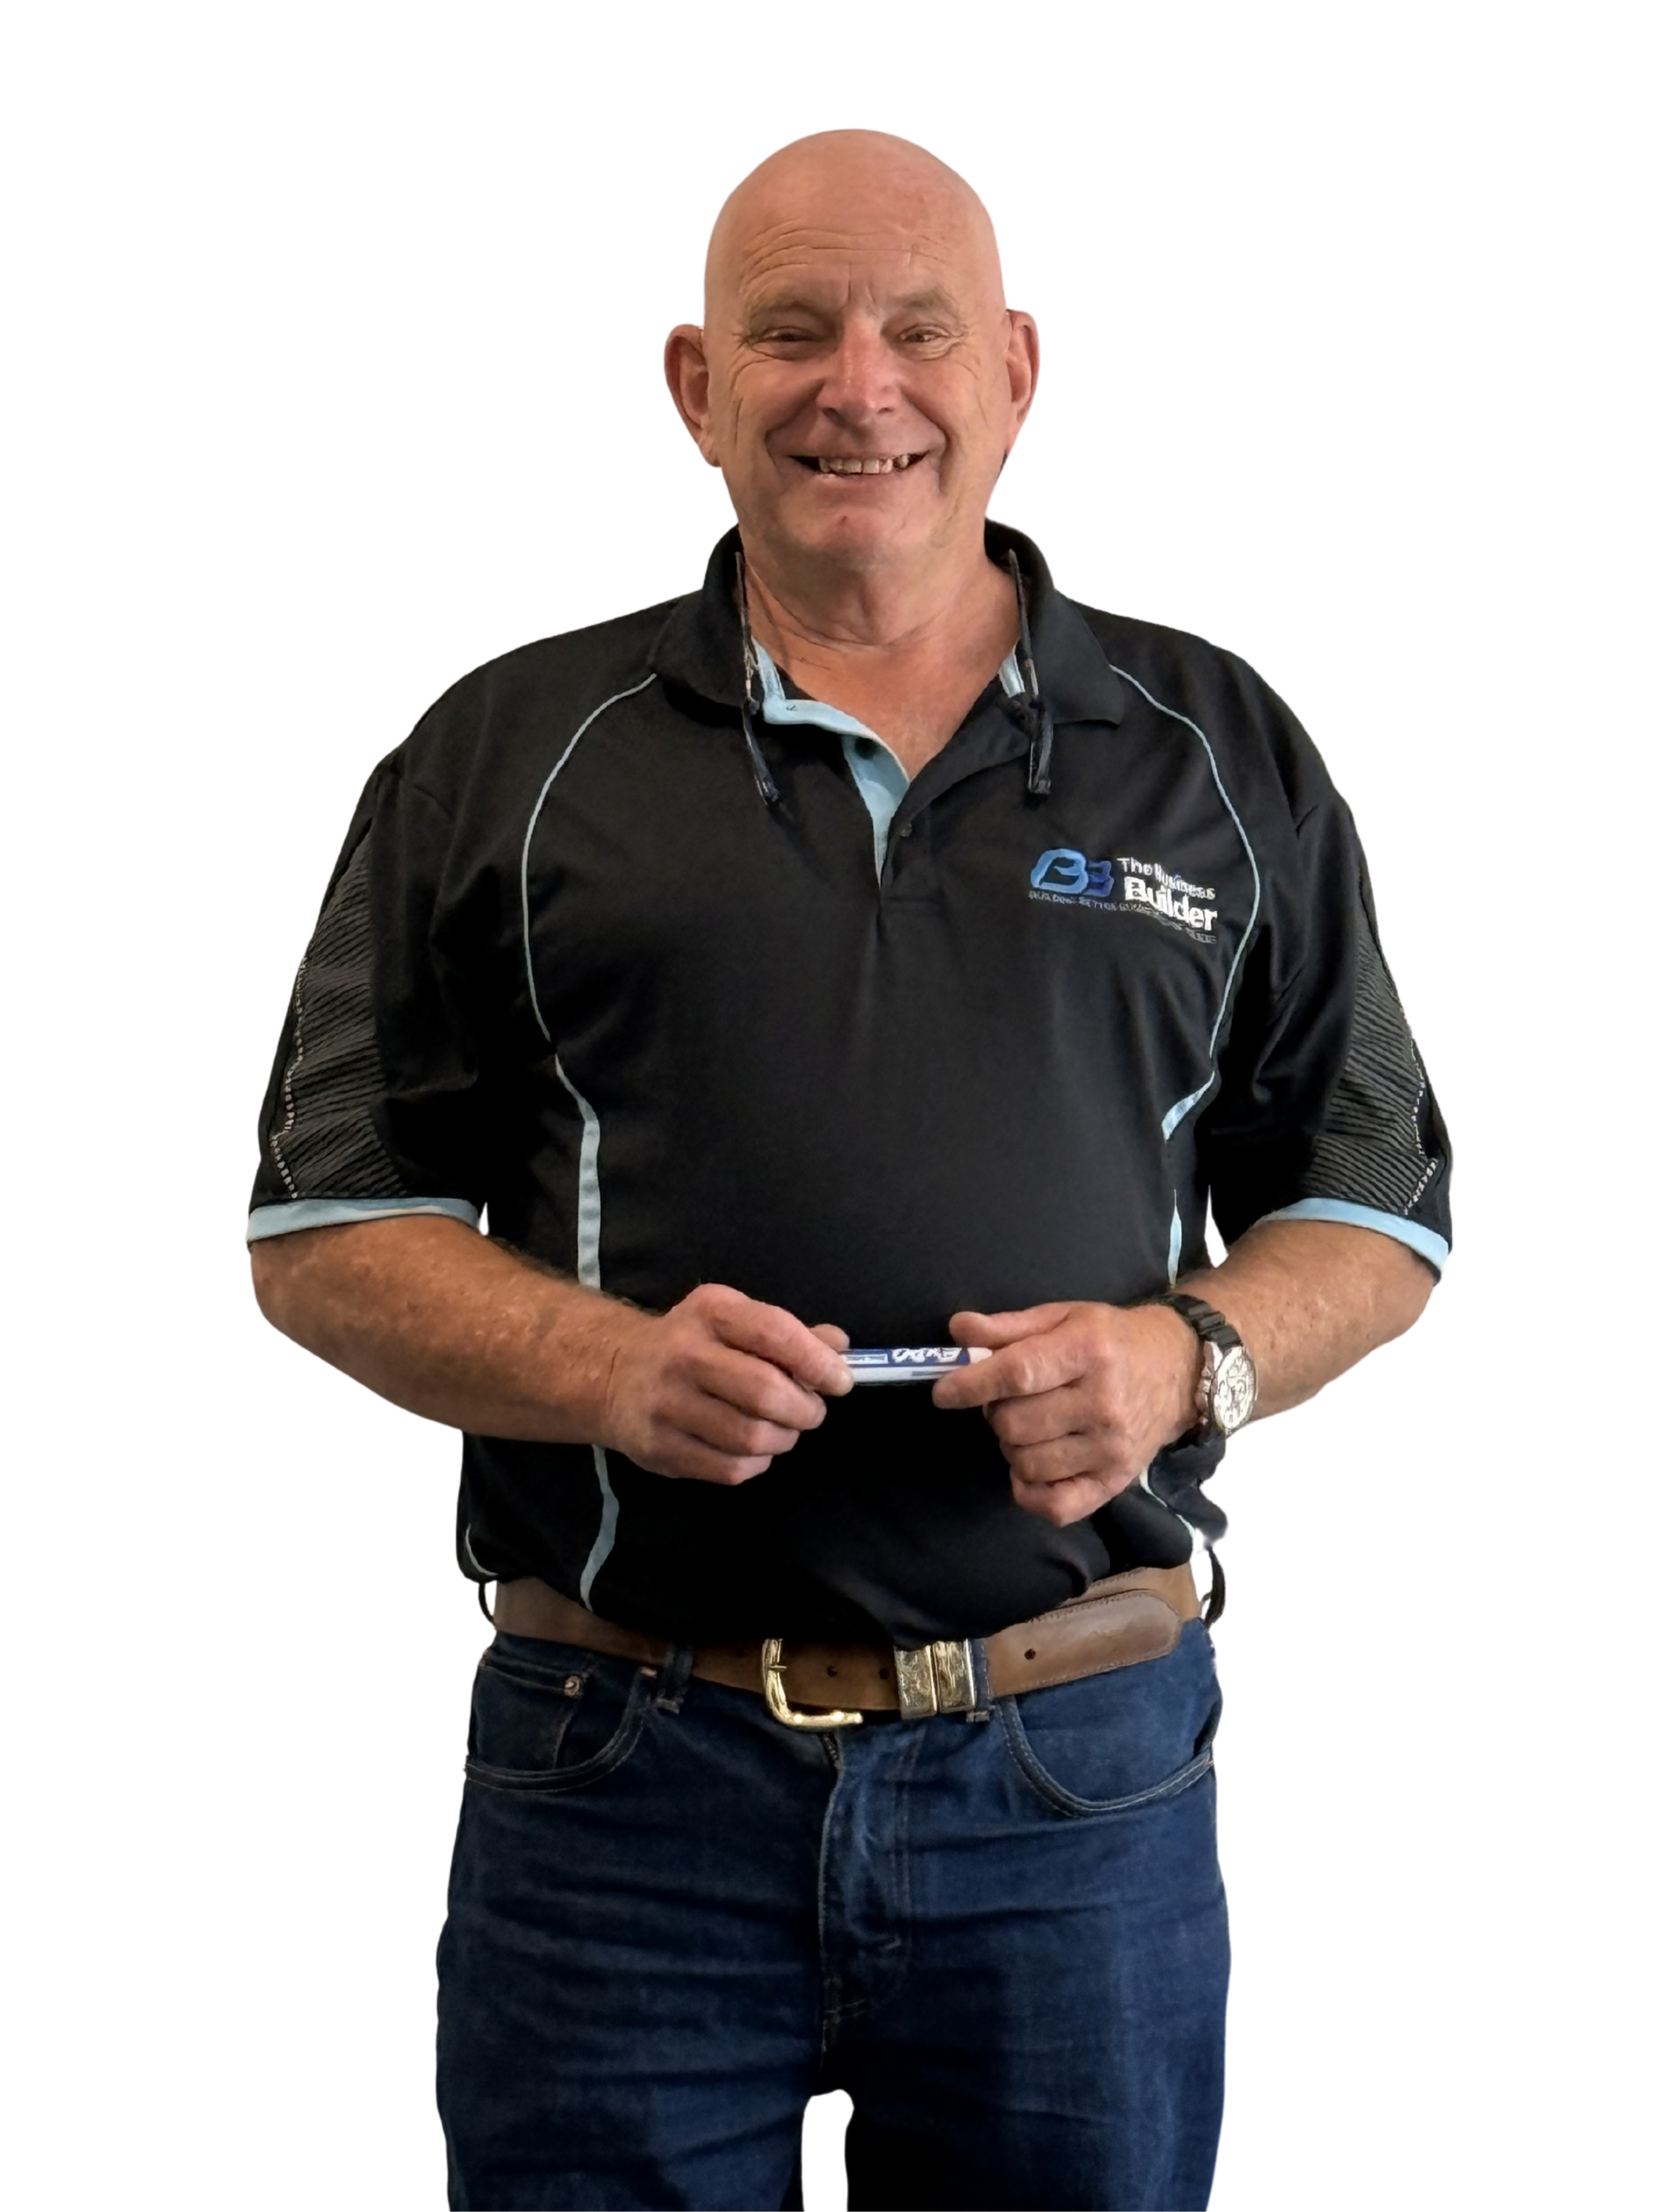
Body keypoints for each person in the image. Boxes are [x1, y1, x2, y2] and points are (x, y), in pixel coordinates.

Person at [245, 127, 1453, 2212]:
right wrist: (602, 1372)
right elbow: (317, 1228)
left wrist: (1187, 1361)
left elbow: (1379, 1206)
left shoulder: (1223, 747)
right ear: (696, 387)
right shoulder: (503, 748)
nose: (858, 387)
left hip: (1078, 1771)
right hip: (613, 1774)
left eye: (918, 331)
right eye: (789, 333)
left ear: (1018, 373)